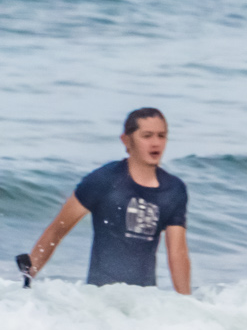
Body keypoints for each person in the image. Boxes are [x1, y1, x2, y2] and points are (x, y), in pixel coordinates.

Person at [21, 108, 191, 292]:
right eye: (147, 136)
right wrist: (28, 279)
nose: (156, 143)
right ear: (126, 140)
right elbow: (57, 231)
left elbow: (177, 253)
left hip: (144, 304)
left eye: (161, 136)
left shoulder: (173, 189)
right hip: (100, 299)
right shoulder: (103, 181)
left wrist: (186, 303)